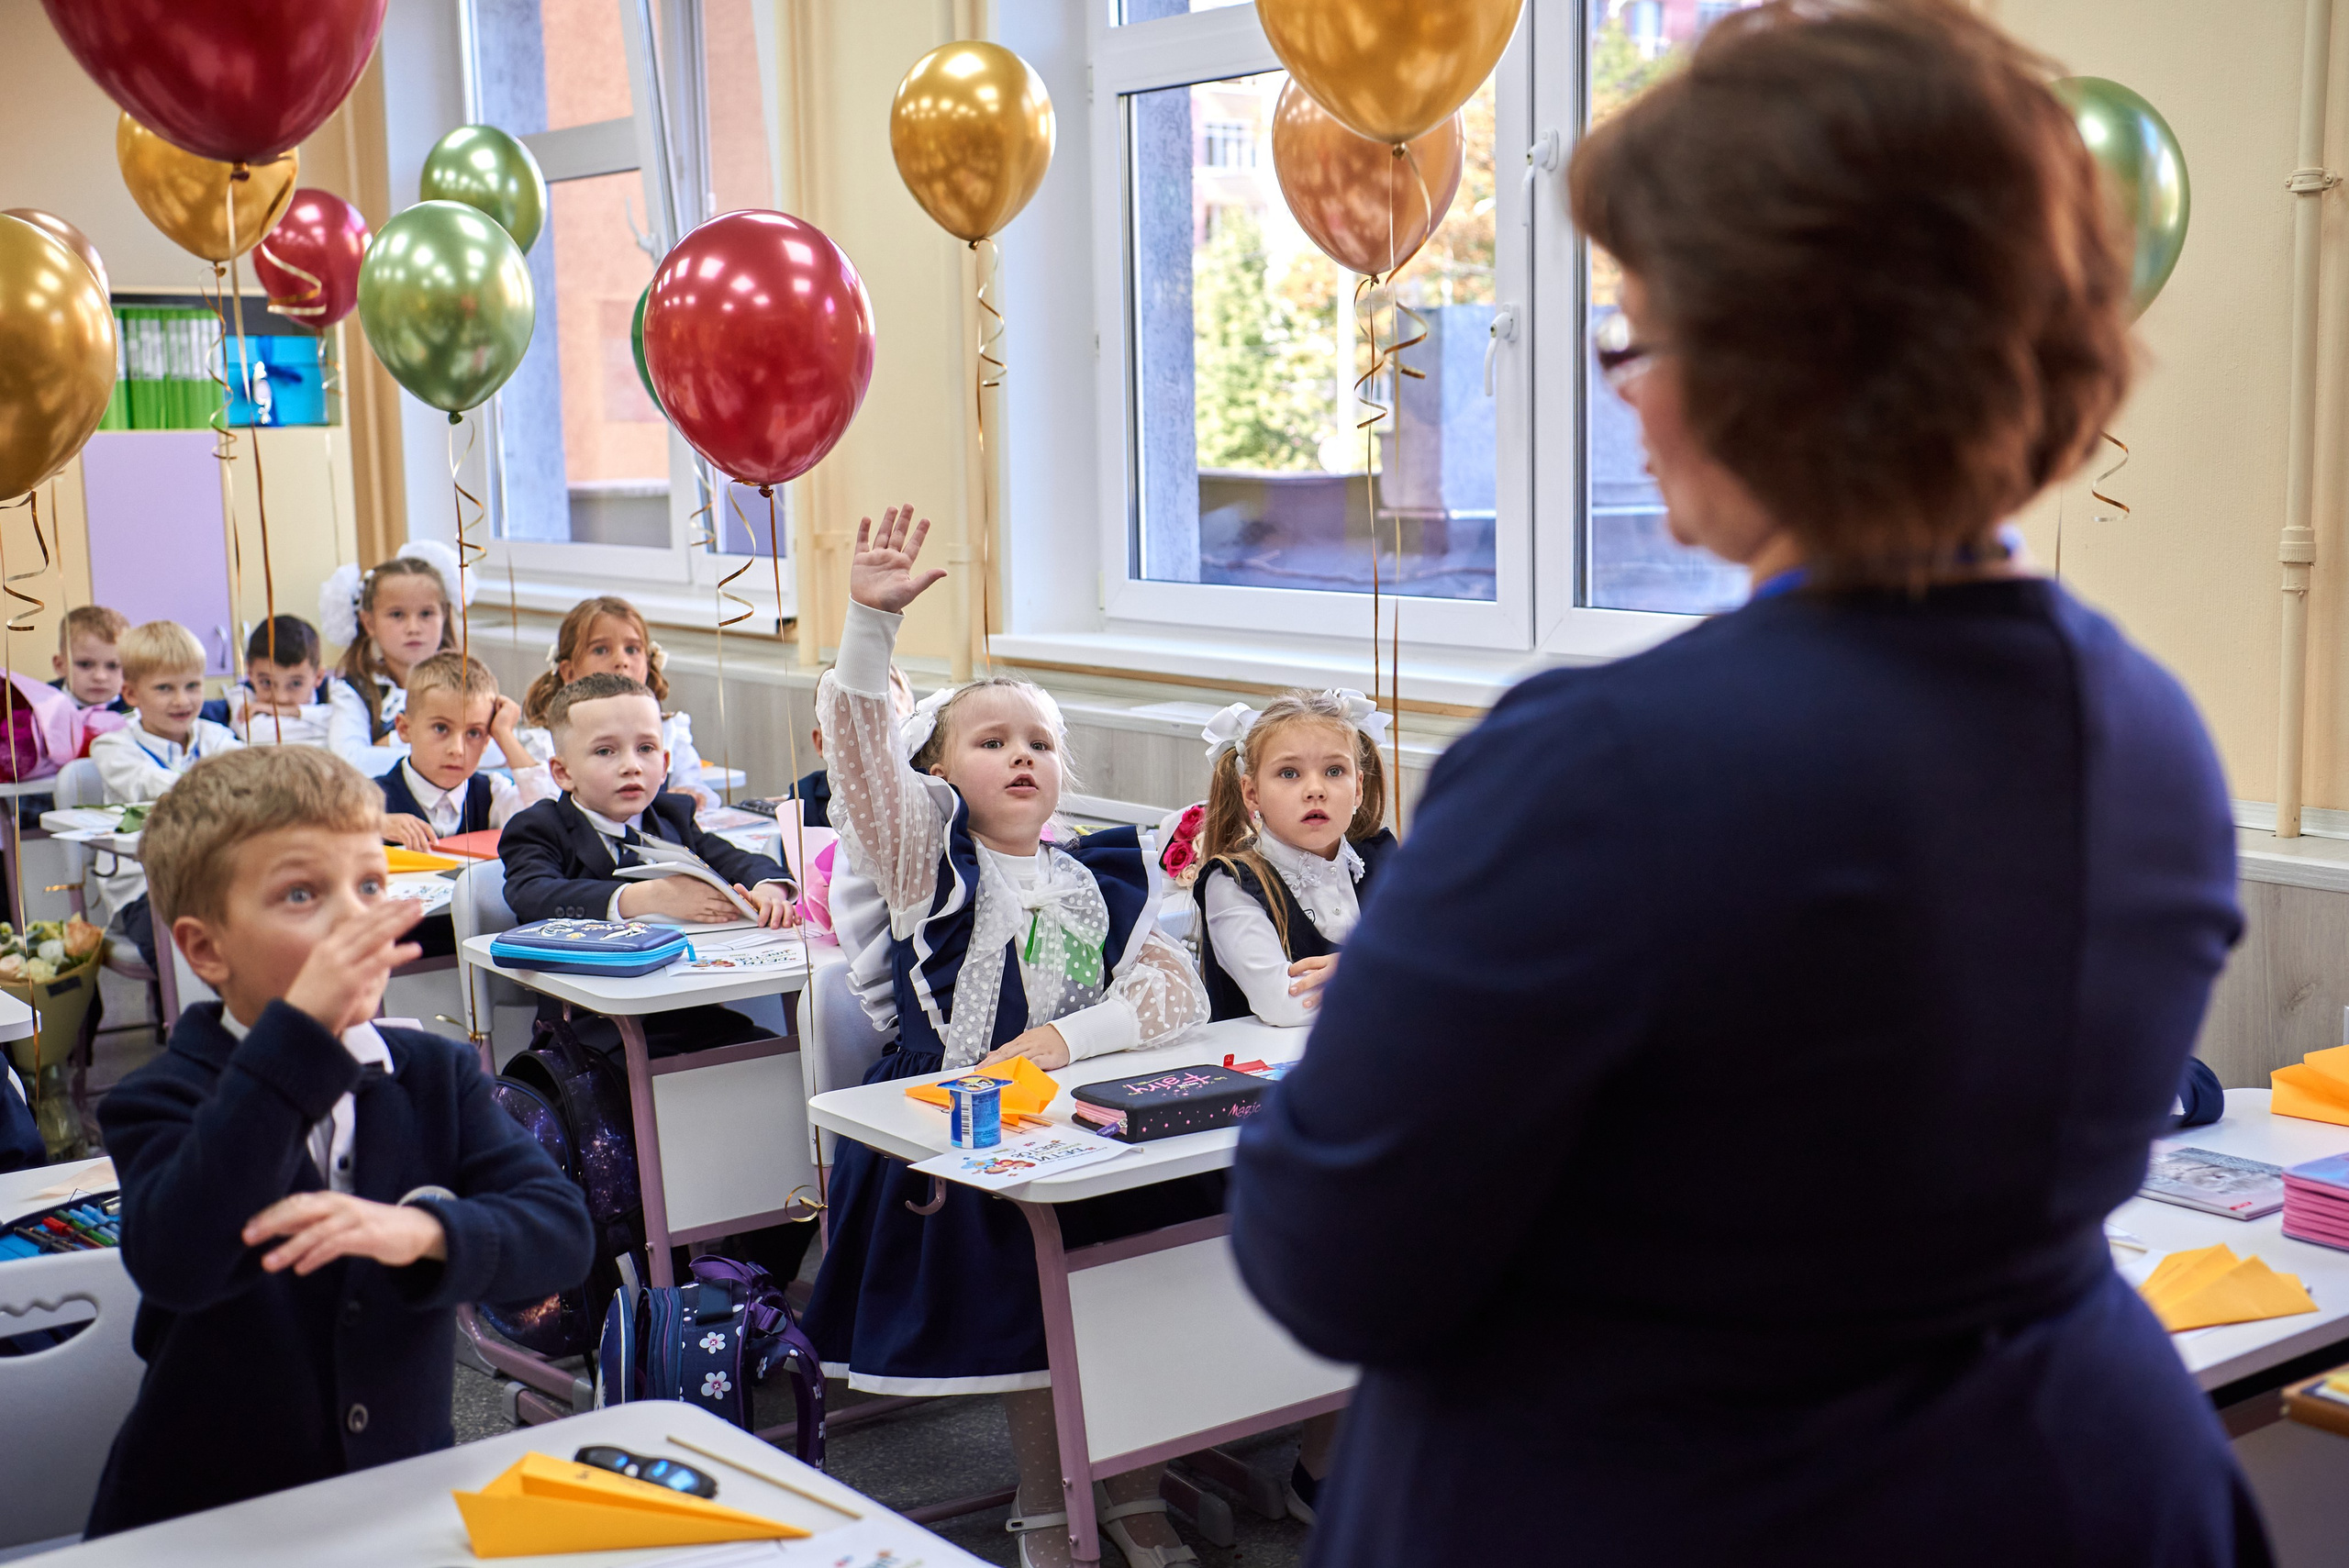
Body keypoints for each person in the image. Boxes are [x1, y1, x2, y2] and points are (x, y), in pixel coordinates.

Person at [1227, 5, 2263, 1566]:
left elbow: (1333, 1260)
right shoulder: (2150, 729)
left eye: (1636, 332)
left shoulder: (1601, 767)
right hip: (2071, 1480)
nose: (1625, 391)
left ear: (1775, 359)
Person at [801, 506, 1212, 1568]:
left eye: (1039, 741)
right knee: (1038, 1317)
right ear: (939, 773)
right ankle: (1044, 1497)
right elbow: (860, 762)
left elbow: (1175, 991)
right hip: (951, 1131)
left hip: (1075, 1116)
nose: (1022, 756)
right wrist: (867, 624)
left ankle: (1124, 1478)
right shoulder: (921, 858)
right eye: (991, 741)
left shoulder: (1095, 875)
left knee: (1130, 1281)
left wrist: (1068, 1042)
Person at [84, 747, 593, 1535]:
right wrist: (298, 1041)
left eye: (368, 887)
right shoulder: (161, 1094)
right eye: (300, 894)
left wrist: (423, 1230)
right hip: (208, 1518)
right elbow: (179, 1256)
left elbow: (561, 1234)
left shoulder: (434, 1073)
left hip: (393, 1502)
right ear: (206, 948)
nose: (354, 918)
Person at [499, 672, 795, 1055]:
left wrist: (770, 885)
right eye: (605, 751)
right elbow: (531, 894)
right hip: (592, 1031)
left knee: (771, 1055)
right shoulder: (539, 827)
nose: (631, 766)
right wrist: (648, 896)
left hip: (689, 1010)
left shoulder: (671, 816)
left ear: (666, 761)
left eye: (646, 749)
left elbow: (736, 859)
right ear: (562, 772)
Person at [1191, 690, 1397, 1031]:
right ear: (1251, 793)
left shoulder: (1381, 860)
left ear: (1358, 787)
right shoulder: (1232, 882)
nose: (1315, 790)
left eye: (1334, 770)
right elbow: (1285, 1005)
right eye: (1289, 773)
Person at [376, 653, 557, 956]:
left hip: (478, 949)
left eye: (474, 733)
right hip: (401, 956)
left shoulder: (492, 793)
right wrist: (373, 823)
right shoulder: (371, 798)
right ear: (404, 728)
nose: (457, 750)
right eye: (441, 729)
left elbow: (550, 815)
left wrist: (504, 733)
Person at [89, 621, 241, 971]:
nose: (182, 700)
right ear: (130, 694)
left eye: (192, 685)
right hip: (145, 891)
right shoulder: (112, 746)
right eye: (164, 688)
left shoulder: (215, 736)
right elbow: (149, 784)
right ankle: (180, 1020)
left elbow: (249, 774)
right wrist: (220, 784)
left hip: (213, 880)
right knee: (187, 945)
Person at [516, 596, 715, 807]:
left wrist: (691, 794)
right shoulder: (548, 741)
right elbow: (541, 802)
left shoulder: (670, 731)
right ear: (569, 671)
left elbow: (696, 789)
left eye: (632, 649)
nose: (622, 661)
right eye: (601, 650)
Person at [320, 546, 461, 773]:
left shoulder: (464, 682)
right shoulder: (352, 691)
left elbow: (492, 750)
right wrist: (442, 750)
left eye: (426, 614)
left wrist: (392, 742)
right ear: (369, 623)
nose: (413, 628)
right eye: (397, 615)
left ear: (443, 615)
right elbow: (348, 761)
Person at [787, 660, 918, 829]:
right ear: (822, 744)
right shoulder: (805, 799)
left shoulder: (925, 800)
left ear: (913, 731)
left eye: (883, 719)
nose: (868, 737)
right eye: (850, 722)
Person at [224, 615, 333, 747]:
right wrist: (328, 730)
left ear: (318, 677)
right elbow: (256, 734)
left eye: (295, 684)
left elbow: (348, 722)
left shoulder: (335, 692)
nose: (280, 698)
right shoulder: (241, 696)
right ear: (250, 673)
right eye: (267, 683)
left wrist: (288, 711)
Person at [50, 604, 130, 715]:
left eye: (113, 666)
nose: (100, 677)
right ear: (60, 665)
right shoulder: (39, 706)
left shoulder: (140, 707)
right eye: (85, 665)